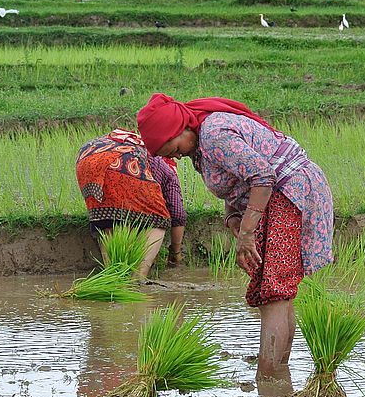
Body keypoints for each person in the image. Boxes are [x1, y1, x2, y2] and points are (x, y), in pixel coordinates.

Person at [136, 93, 333, 378]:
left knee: (274, 293)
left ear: (181, 128)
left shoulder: (215, 135)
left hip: (287, 193)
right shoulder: (200, 147)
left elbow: (263, 176)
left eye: (172, 147)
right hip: (276, 198)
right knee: (277, 292)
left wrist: (247, 233)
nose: (173, 156)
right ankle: (277, 378)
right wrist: (233, 218)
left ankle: (269, 381)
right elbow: (237, 183)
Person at [75, 128, 186, 279]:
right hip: (124, 159)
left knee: (109, 214)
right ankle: (138, 277)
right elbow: (178, 215)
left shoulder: (144, 147)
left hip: (88, 157)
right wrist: (175, 252)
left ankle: (114, 278)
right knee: (159, 218)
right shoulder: (168, 170)